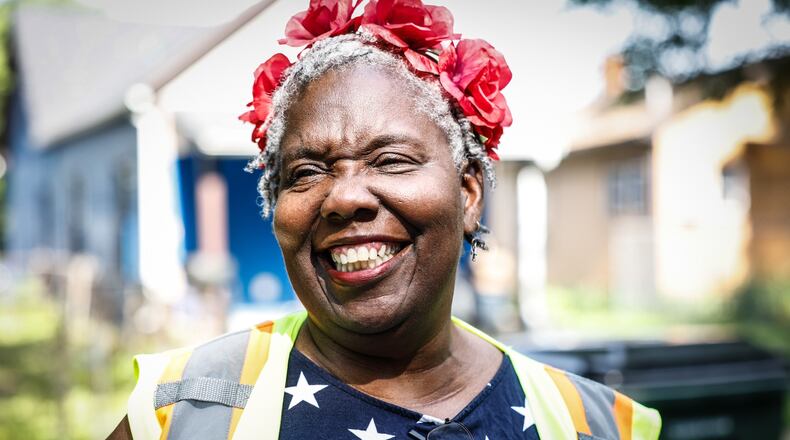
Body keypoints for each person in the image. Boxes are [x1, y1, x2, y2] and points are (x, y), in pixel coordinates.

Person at [110, 1, 661, 439]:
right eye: (305, 171)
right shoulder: (184, 411)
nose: (344, 198)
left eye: (391, 160)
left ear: (469, 194)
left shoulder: (596, 424)